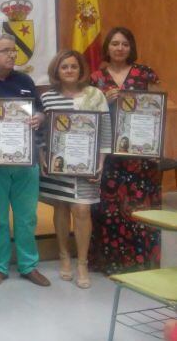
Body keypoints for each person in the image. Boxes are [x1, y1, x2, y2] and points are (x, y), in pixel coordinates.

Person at [0, 32, 50, 287]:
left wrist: (39, 117)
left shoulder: (25, 80)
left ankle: (29, 265)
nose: (12, 55)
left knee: (27, 217)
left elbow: (40, 110)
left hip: (26, 162)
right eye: (6, 50)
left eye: (14, 50)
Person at [89, 27, 162, 274]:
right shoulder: (96, 77)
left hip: (140, 155)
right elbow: (88, 114)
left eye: (125, 44)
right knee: (108, 209)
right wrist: (104, 101)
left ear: (131, 48)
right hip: (109, 153)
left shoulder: (145, 74)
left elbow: (161, 108)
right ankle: (111, 262)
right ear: (107, 47)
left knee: (140, 208)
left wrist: (155, 143)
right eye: (115, 44)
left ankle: (141, 263)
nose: (120, 48)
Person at [38, 50, 111, 289]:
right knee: (60, 207)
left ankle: (82, 262)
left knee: (82, 210)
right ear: (57, 71)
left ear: (81, 70)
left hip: (86, 165)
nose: (69, 70)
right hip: (57, 165)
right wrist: (42, 158)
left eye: (73, 66)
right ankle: (63, 256)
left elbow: (105, 130)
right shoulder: (48, 97)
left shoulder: (95, 95)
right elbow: (41, 132)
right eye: (64, 67)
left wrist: (100, 161)